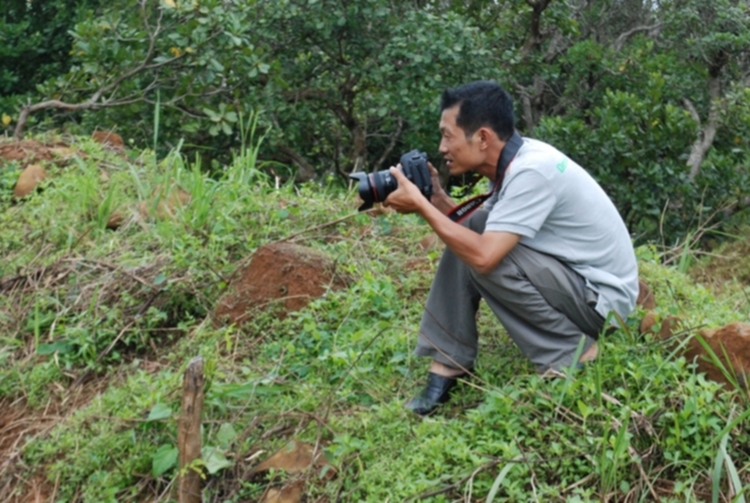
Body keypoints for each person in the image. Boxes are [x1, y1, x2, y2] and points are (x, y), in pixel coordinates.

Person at [383, 81, 638, 416]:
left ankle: (571, 356)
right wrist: (437, 198)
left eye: (448, 135)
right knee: (474, 230)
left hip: (599, 302)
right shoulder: (515, 159)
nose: (442, 147)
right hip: (579, 283)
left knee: (485, 255)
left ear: (483, 137)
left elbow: (485, 256)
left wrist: (420, 206)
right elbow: (476, 228)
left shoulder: (532, 171)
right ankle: (448, 361)